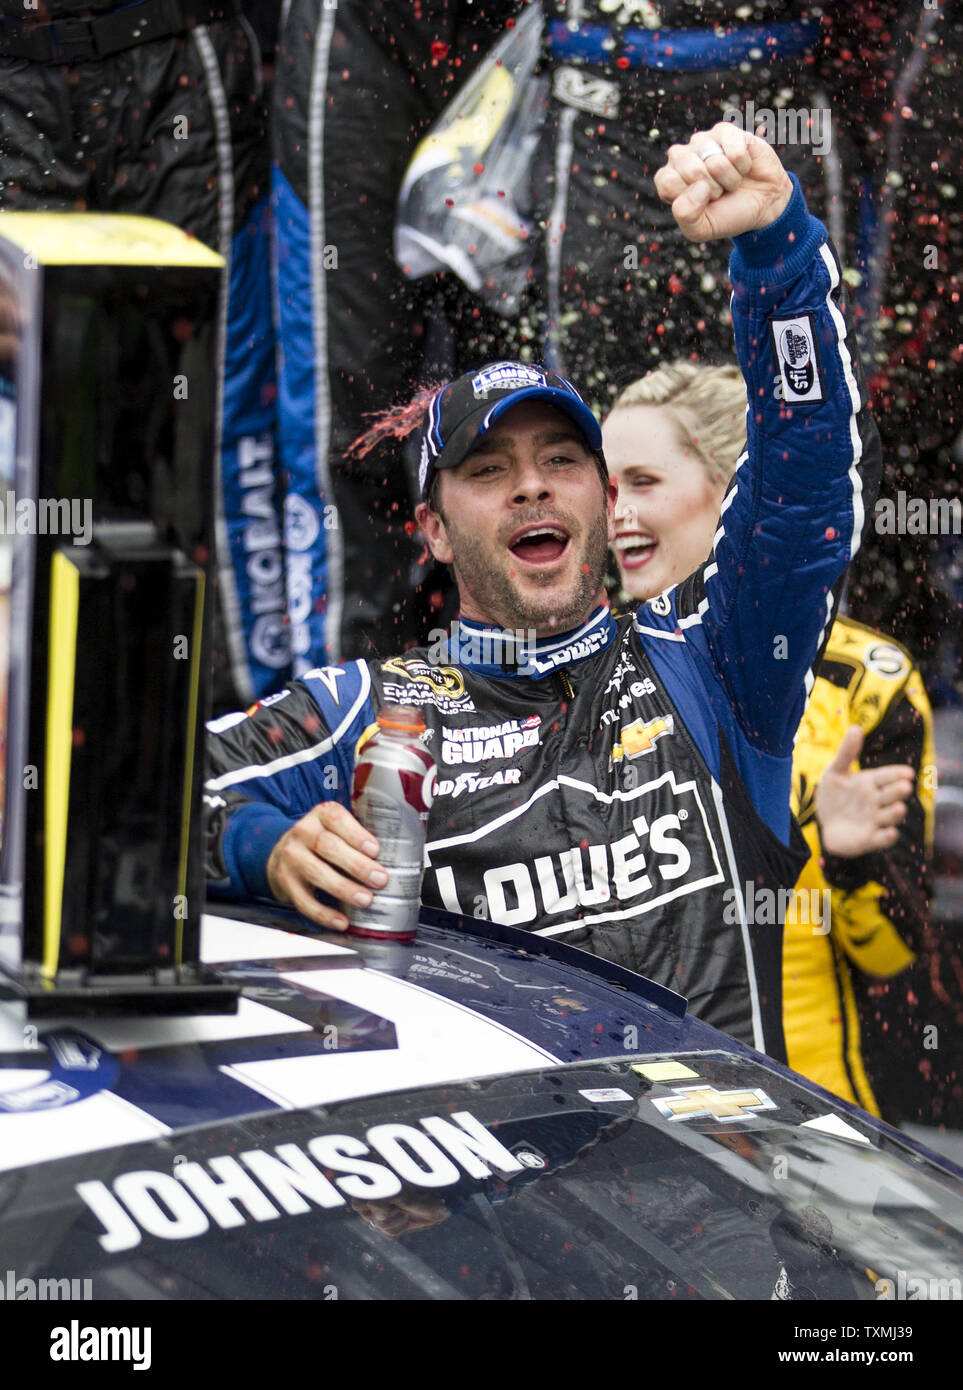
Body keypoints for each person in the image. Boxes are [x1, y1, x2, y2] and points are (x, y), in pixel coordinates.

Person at [205, 122, 882, 1063]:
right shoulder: (360, 709)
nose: (531, 485)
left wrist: (776, 256)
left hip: (725, 1185)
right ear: (432, 530)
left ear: (602, 503)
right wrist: (260, 849)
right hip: (495, 1198)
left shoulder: (711, 660)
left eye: (560, 459)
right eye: (487, 469)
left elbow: (805, 481)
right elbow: (119, 811)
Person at [602, 358, 935, 1120]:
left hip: (819, 1135)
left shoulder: (865, 679)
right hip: (644, 1131)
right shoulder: (580, 676)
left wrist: (849, 861)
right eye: (608, 486)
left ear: (730, 493)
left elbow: (892, 954)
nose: (615, 512)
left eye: (644, 483)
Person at [0, 0, 285, 711]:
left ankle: (233, 734)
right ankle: (39, 728)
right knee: (28, 409)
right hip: (14, 75)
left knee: (207, 398)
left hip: (174, 50)